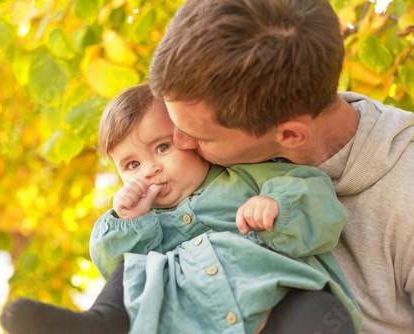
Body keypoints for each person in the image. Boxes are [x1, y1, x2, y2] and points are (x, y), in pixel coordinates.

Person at [1, 83, 361, 334]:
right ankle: (98, 325)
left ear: (191, 138)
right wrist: (131, 221)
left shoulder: (241, 177)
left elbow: (314, 196)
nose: (150, 170)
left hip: (277, 300)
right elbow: (109, 260)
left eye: (161, 148)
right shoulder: (146, 221)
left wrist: (277, 206)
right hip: (191, 322)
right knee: (130, 269)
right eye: (131, 165)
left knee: (324, 316)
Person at [147, 0, 414, 332]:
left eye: (200, 137)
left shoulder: (406, 193)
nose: (181, 144)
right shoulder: (228, 155)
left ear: (289, 135)